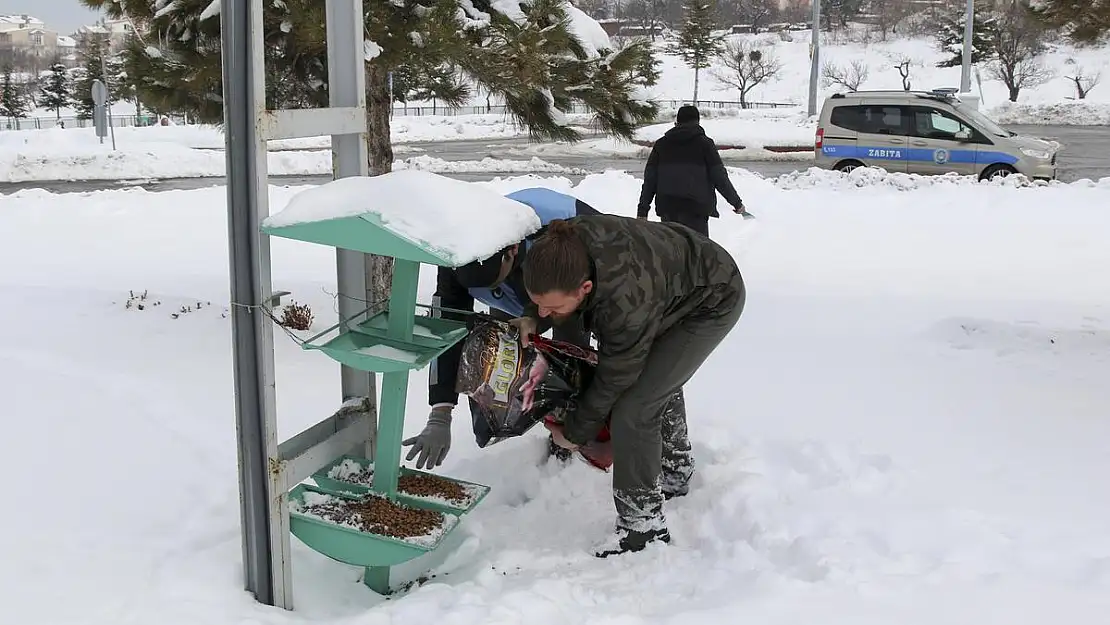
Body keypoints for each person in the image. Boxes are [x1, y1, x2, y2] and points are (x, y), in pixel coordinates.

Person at [513, 215, 745, 557]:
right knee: (654, 382)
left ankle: (644, 528)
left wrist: (575, 433)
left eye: (553, 307)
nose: (546, 315)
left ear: (585, 289)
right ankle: (674, 470)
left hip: (711, 299)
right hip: (668, 286)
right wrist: (531, 313)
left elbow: (615, 377)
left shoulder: (625, 302)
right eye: (540, 302)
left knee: (637, 406)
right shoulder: (561, 251)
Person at [402, 187, 599, 470]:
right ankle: (553, 429)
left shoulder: (556, 233)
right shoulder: (454, 252)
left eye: (493, 283)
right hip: (514, 283)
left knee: (572, 360)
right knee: (508, 355)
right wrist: (440, 412)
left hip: (567, 280)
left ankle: (582, 444)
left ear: (512, 253)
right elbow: (446, 329)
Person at [636, 105, 752, 237]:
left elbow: (650, 180)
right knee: (698, 253)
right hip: (697, 209)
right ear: (697, 122)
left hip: (668, 209)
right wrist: (737, 203)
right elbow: (719, 177)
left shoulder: (661, 145)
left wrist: (642, 211)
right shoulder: (705, 144)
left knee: (674, 252)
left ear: (677, 122)